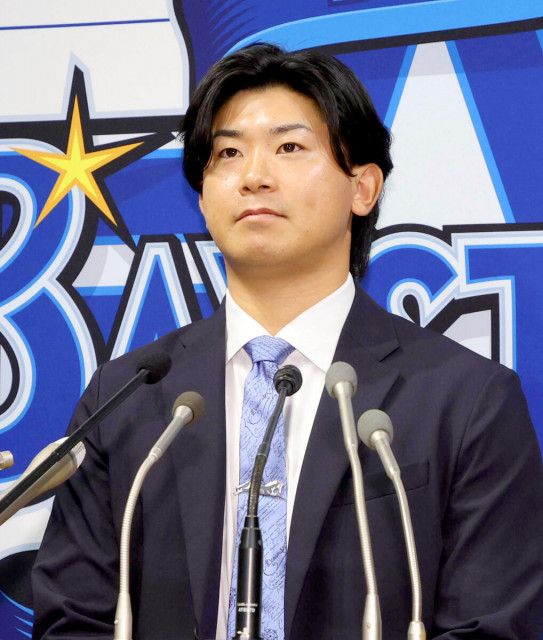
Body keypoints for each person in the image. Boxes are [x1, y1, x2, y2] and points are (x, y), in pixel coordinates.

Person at [32, 43, 543, 640]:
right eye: (228, 153)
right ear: (202, 198)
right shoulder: (127, 398)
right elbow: (72, 619)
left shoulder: (467, 400)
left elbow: (492, 626)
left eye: (289, 148)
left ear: (363, 188)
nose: (254, 177)